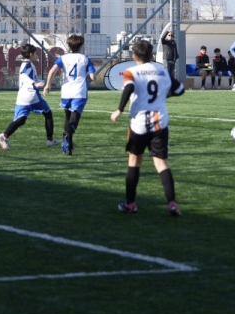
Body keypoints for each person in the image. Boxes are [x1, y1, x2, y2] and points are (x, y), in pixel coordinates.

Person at [111, 39, 185, 216]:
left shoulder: (131, 72)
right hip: (160, 122)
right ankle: (172, 203)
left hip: (139, 123)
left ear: (134, 56)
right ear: (152, 55)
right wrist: (164, 95)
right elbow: (180, 89)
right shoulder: (162, 70)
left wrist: (119, 109)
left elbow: (128, 89)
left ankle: (130, 204)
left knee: (134, 162)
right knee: (161, 163)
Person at [0, 43, 58, 151]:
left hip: (22, 97)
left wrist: (42, 82)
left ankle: (4, 136)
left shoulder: (24, 64)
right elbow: (24, 76)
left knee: (21, 120)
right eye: (35, 54)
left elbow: (30, 78)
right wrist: (35, 84)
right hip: (32, 96)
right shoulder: (28, 65)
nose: (36, 56)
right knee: (48, 113)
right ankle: (50, 140)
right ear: (31, 54)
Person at [44, 34, 96, 156]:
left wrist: (48, 85)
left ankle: (68, 145)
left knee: (67, 117)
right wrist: (88, 77)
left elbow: (52, 71)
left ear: (69, 45)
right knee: (74, 119)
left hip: (66, 91)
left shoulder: (63, 58)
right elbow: (93, 77)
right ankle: (68, 133)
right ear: (81, 46)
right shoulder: (84, 58)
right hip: (79, 91)